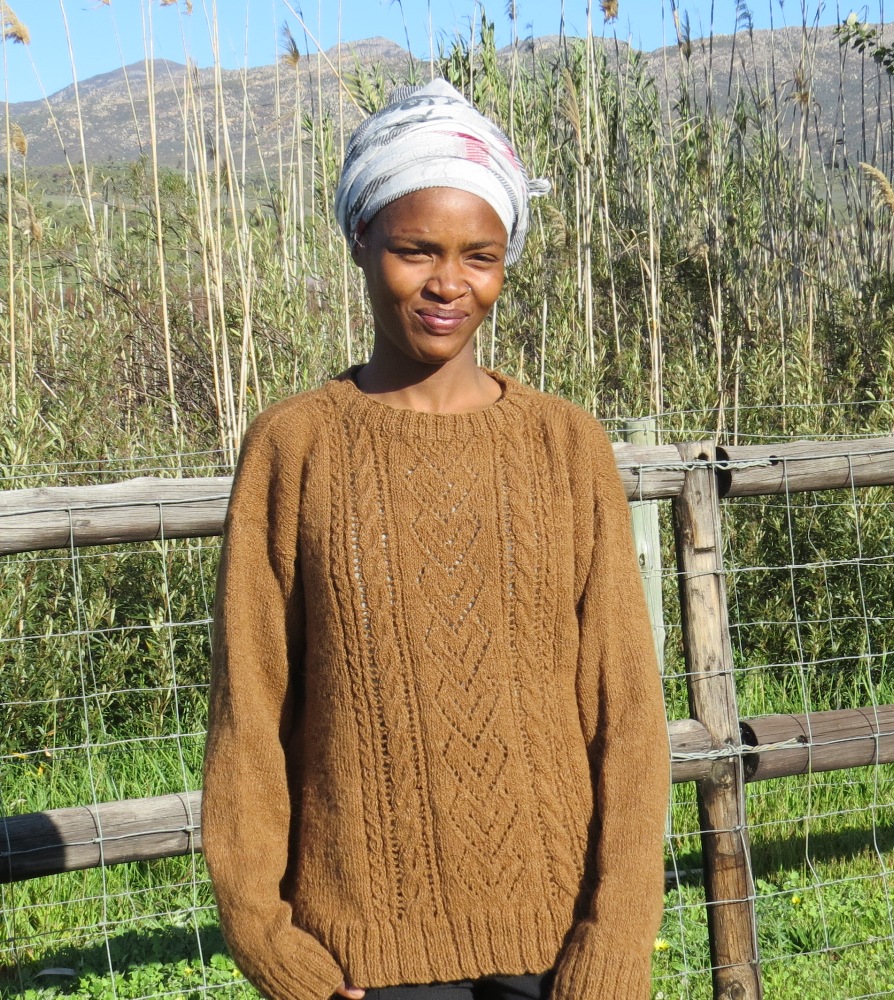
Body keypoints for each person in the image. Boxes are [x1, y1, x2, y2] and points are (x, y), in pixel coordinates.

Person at [201, 79, 670, 1000]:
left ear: (505, 262)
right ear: (360, 240)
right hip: (363, 957)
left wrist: (616, 939)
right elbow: (250, 709)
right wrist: (264, 935)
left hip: (556, 942)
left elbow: (625, 708)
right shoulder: (295, 446)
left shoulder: (564, 445)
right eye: (415, 250)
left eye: (479, 257)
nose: (449, 283)